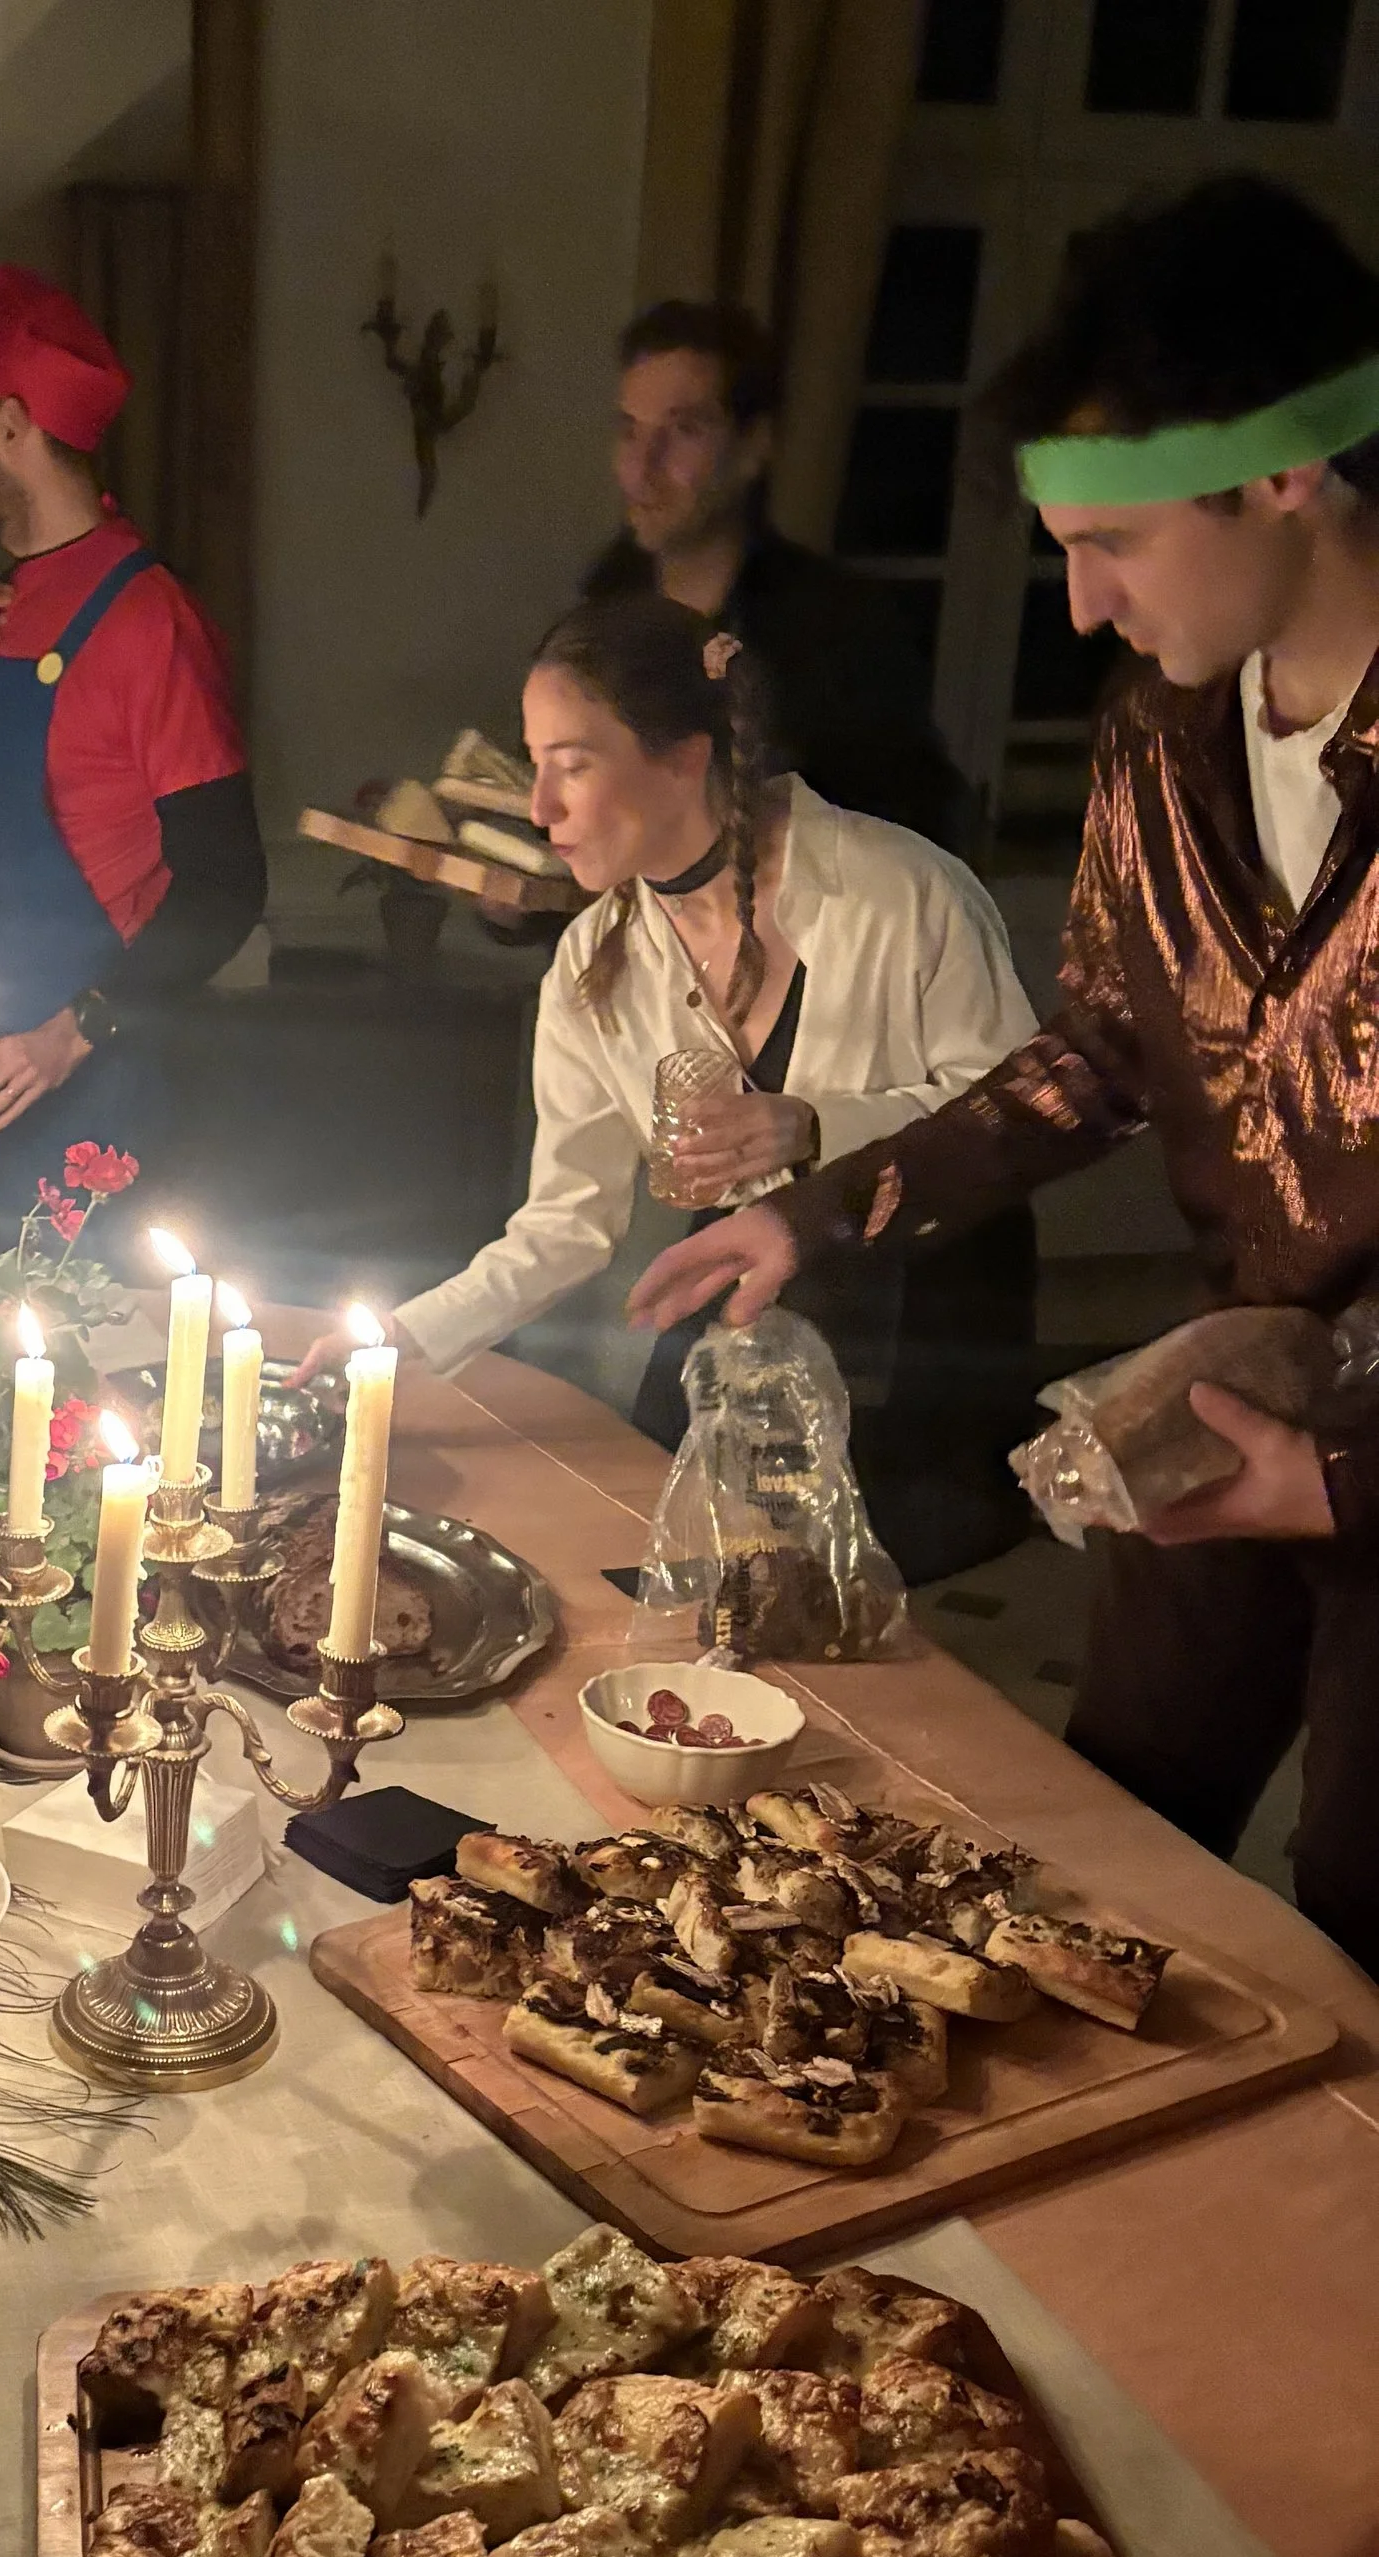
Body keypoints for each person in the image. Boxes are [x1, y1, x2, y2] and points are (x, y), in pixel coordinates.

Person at [628, 175, 1379, 1973]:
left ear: (1287, 474)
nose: (1084, 604)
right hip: (1219, 1388)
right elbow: (1104, 1049)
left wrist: (1354, 1482)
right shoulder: (1164, 739)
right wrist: (820, 1213)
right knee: (1112, 1840)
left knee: (1359, 1913)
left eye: (1115, 542)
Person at [299, 592, 1034, 1577]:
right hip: (736, 1332)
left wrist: (819, 1126)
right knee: (683, 1598)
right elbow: (565, 1224)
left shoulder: (900, 893)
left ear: (685, 756)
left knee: (868, 1625)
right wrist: (398, 1342)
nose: (540, 808)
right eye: (534, 763)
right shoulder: (594, 962)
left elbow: (1018, 1110)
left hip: (914, 1342)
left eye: (573, 765)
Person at [0, 263, 265, 1206]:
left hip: (99, 1084)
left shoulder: (147, 621)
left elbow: (226, 885)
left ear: (13, 427)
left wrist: (71, 1033)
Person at [580, 300, 971, 848]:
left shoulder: (837, 630)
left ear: (753, 446)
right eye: (629, 430)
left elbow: (919, 836)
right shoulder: (606, 605)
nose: (641, 468)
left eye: (683, 429)